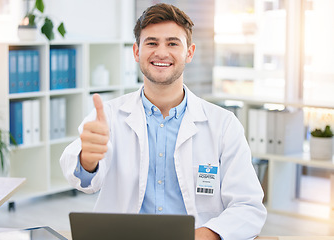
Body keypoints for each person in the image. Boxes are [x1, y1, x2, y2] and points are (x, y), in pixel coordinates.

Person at [60, 3, 267, 240]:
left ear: (189, 52)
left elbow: (248, 207)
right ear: (137, 52)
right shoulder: (108, 115)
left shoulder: (223, 125)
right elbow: (81, 180)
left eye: (172, 43)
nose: (161, 52)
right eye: (151, 43)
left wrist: (205, 235)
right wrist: (87, 160)